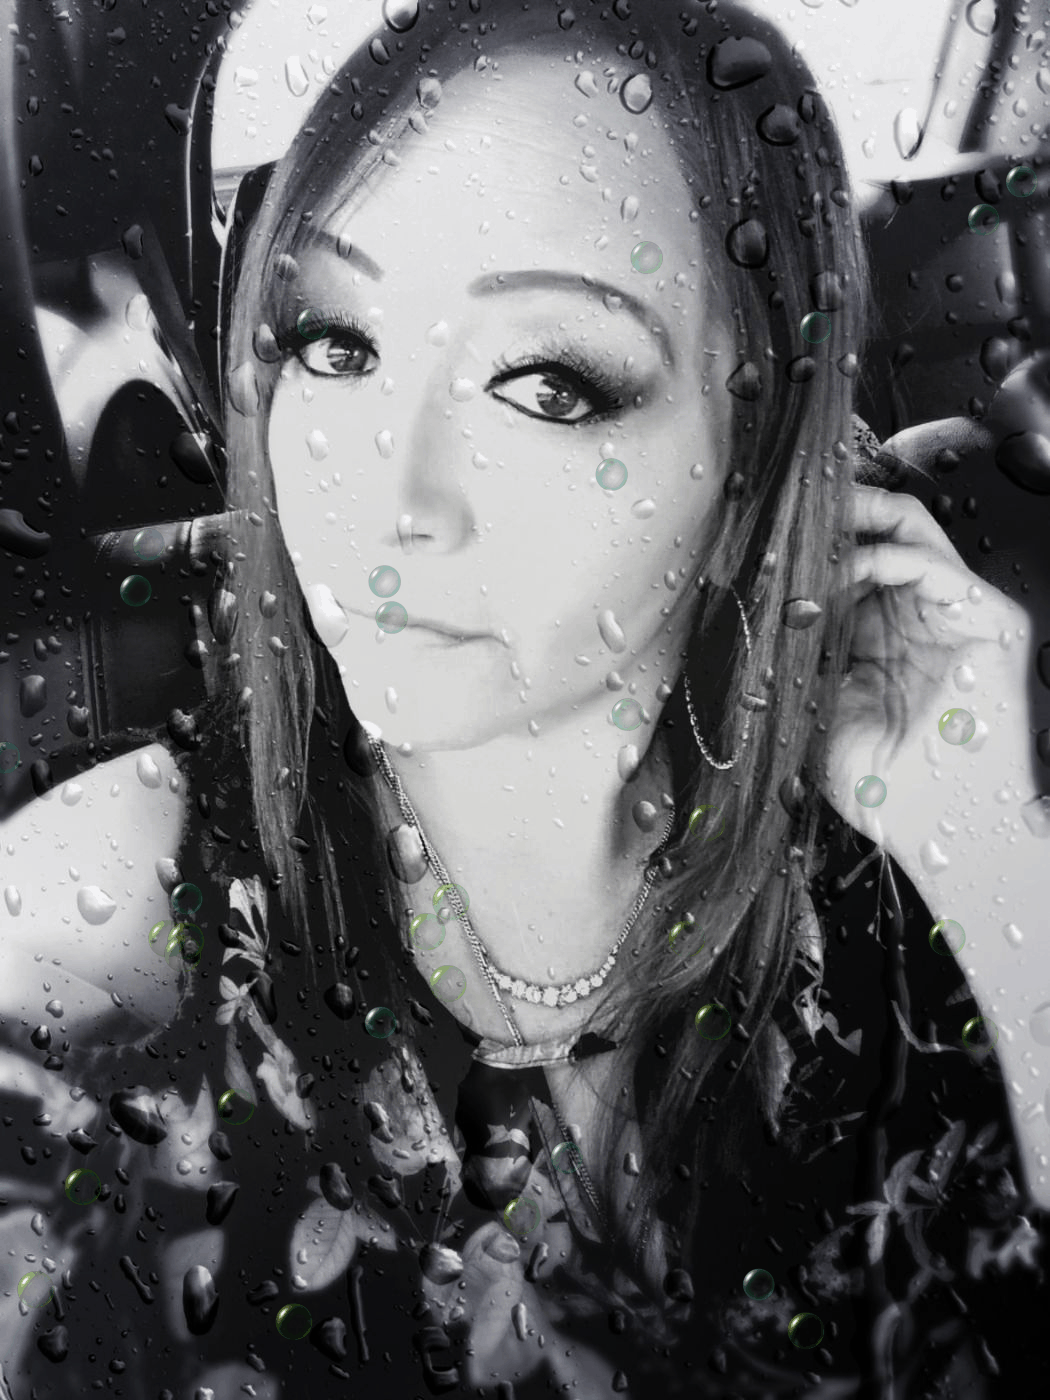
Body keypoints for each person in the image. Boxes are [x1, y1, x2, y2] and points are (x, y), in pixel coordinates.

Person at [4, 2, 1047, 1397]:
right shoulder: (110, 911)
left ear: (749, 460)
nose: (394, 497)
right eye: (335, 343)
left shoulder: (900, 879)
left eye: (547, 383)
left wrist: (992, 860)